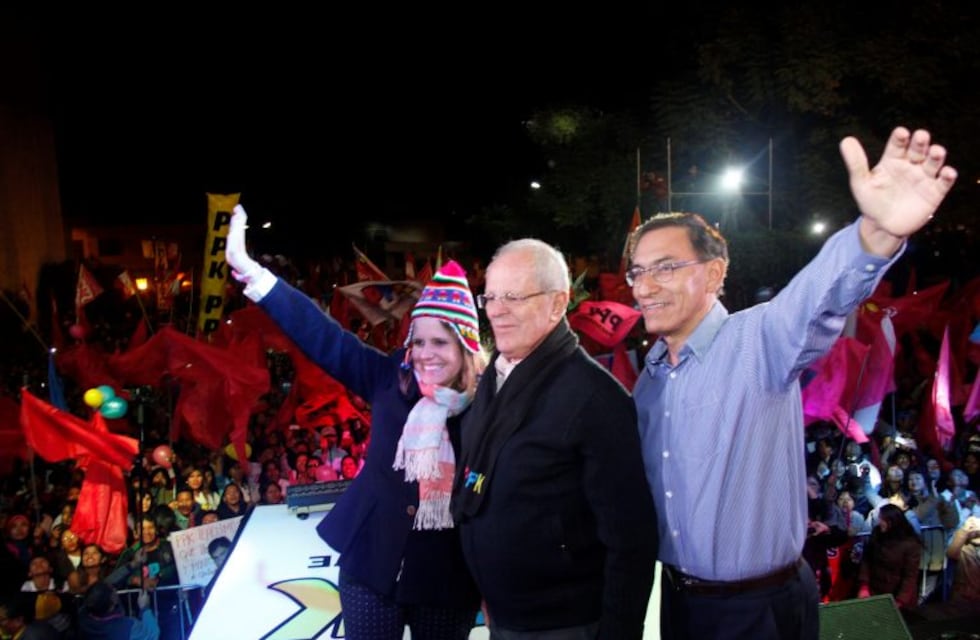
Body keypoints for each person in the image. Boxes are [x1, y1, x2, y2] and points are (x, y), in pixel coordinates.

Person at [628, 126, 956, 640]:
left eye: (665, 268)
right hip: (677, 600)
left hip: (758, 610)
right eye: (637, 272)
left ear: (714, 274)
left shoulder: (758, 340)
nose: (644, 286)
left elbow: (817, 299)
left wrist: (875, 235)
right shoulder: (649, 381)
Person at [226, 205, 485, 640]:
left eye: (440, 342)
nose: (425, 353)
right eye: (417, 340)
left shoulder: (491, 402)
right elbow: (324, 336)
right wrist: (254, 274)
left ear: (466, 347)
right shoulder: (389, 379)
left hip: (447, 576)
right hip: (370, 563)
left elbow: (498, 481)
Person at [450, 238, 659, 639]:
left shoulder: (597, 397)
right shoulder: (495, 377)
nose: (496, 310)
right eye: (490, 296)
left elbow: (631, 539)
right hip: (506, 618)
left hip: (567, 625)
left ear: (557, 303)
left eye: (514, 296)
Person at [857, 504, 923, 610]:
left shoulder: (910, 544)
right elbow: (867, 560)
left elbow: (910, 576)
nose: (879, 522)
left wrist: (900, 600)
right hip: (875, 590)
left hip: (897, 595)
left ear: (892, 521)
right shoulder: (877, 533)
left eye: (882, 519)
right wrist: (864, 586)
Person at [77, 581, 160, 640]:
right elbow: (152, 635)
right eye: (113, 591)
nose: (116, 590)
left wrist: (132, 565)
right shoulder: (127, 627)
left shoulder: (82, 617)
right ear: (112, 603)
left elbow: (111, 580)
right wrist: (145, 608)